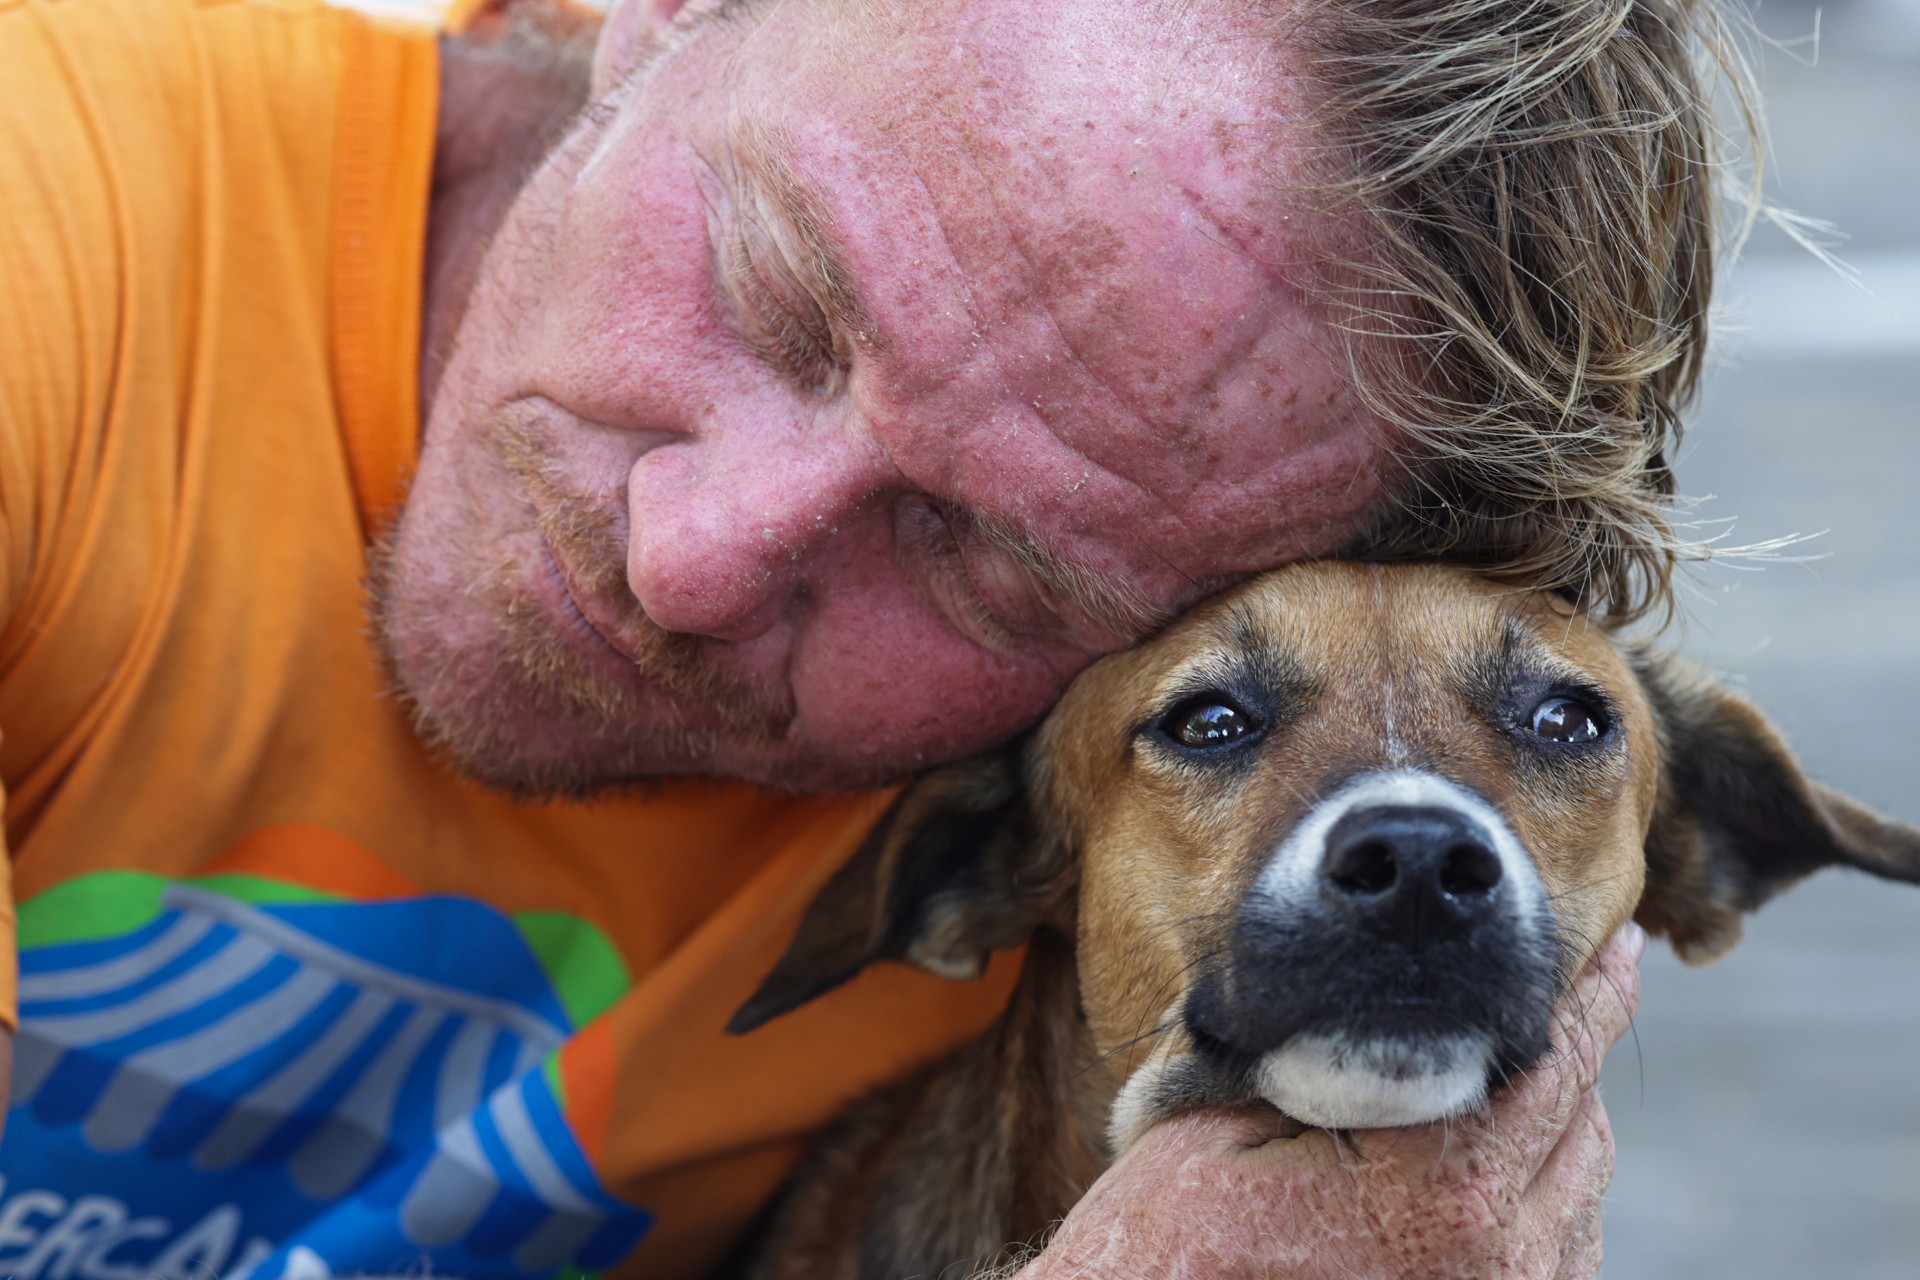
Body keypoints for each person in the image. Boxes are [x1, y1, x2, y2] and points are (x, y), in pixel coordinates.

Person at [0, 0, 1731, 1274]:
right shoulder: (56, 234)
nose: (692, 555)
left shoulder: (1118, 831)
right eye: (773, 290)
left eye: (987, 564)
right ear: (671, 13)